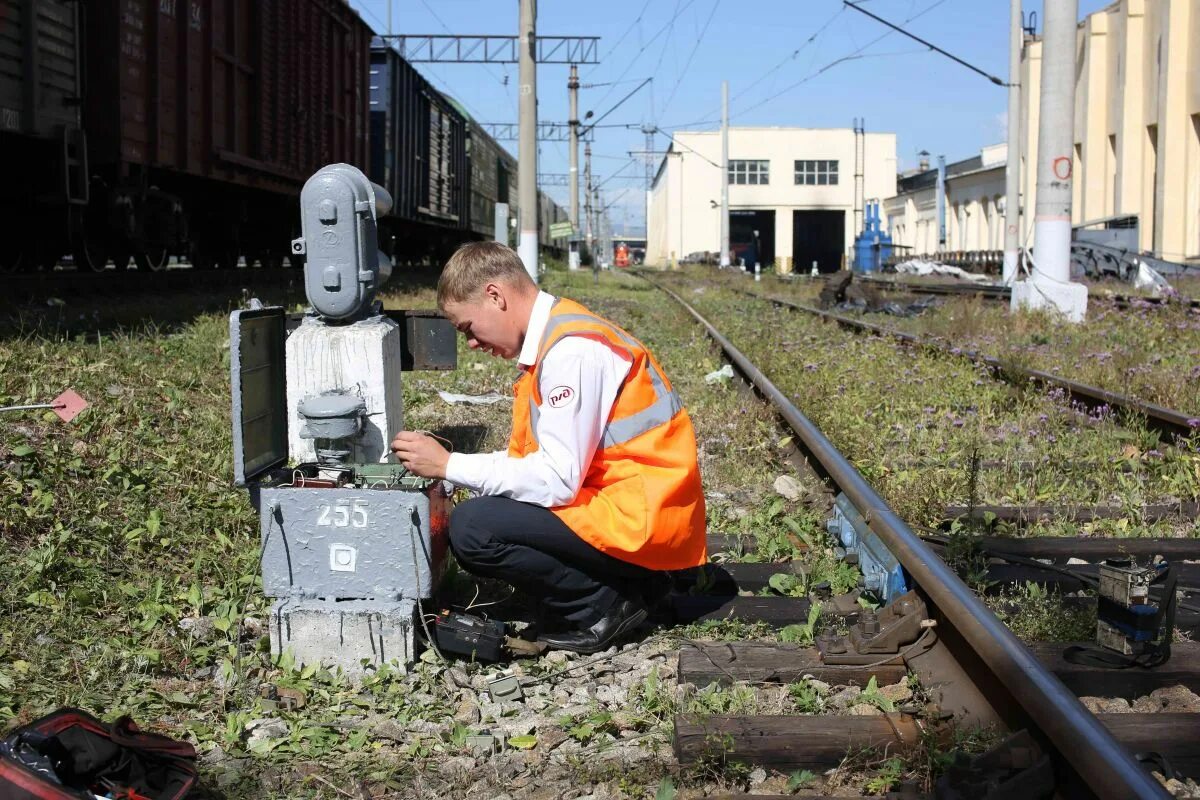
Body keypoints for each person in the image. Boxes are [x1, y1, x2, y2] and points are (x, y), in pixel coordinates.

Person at [391, 241, 706, 653]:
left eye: (468, 328)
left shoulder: (571, 352)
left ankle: (604, 603)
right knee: (486, 514)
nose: (471, 343)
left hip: (642, 525)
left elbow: (556, 480)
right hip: (633, 508)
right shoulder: (560, 334)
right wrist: (456, 467)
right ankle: (621, 583)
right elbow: (535, 463)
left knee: (474, 528)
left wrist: (450, 465)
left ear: (495, 296)